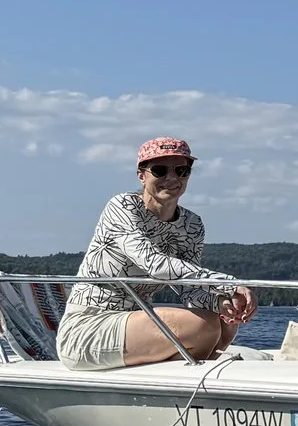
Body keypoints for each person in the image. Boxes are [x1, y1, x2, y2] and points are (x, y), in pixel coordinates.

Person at [54, 138, 259, 370]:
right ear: (142, 175)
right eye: (160, 170)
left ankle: (185, 386)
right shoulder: (123, 207)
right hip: (90, 327)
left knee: (222, 322)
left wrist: (224, 301)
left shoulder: (191, 225)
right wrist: (229, 284)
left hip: (136, 323)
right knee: (203, 327)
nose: (172, 178)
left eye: (181, 170)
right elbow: (153, 263)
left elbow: (189, 289)